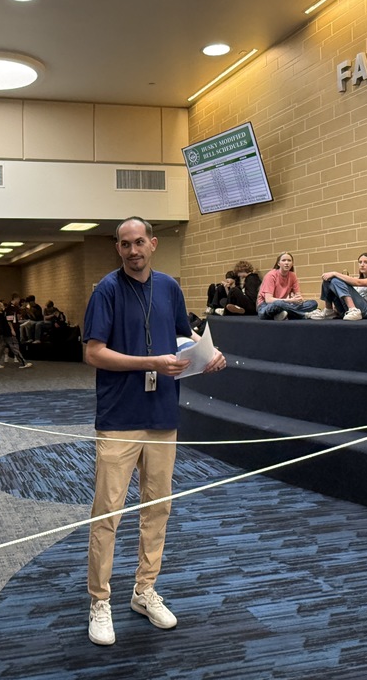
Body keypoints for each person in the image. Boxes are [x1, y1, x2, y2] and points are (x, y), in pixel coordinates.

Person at [82, 216, 227, 646]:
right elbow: (93, 353)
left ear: (153, 244)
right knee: (107, 513)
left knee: (156, 508)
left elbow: (182, 335)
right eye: (124, 244)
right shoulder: (106, 291)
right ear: (118, 248)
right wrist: (151, 363)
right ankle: (99, 599)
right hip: (120, 417)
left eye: (139, 242)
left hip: (163, 413)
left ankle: (144, 590)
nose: (132, 251)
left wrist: (207, 352)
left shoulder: (169, 287)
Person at [310, 253, 367, 321]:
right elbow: (356, 282)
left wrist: (335, 273)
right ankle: (329, 311)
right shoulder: (357, 278)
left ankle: (353, 310)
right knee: (328, 280)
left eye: (366, 262)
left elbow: (358, 283)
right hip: (348, 311)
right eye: (360, 262)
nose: (362, 265)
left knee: (336, 280)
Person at [256, 252, 317, 320]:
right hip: (266, 306)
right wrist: (291, 300)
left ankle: (283, 314)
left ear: (292, 263)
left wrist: (299, 299)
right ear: (278, 263)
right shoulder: (271, 275)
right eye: (284, 260)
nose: (287, 263)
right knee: (279, 304)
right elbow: (268, 300)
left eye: (289, 260)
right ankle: (304, 315)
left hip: (285, 304)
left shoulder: (293, 275)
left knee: (313, 303)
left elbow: (298, 296)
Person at [0, 298, 32, 369]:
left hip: (0, 333)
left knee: (1, 347)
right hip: (6, 332)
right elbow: (8, 322)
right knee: (14, 346)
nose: (3, 306)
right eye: (1, 305)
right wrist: (12, 330)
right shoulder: (1, 314)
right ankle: (23, 363)